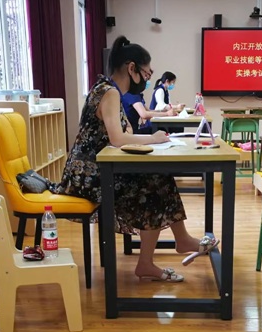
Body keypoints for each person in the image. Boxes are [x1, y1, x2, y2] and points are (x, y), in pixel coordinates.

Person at [49, 36, 218, 283]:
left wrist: (143, 138)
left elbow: (123, 132)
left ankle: (168, 248)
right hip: (89, 177)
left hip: (92, 170)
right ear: (132, 68)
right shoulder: (109, 93)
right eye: (147, 74)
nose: (147, 80)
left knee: (158, 177)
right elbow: (118, 138)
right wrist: (155, 139)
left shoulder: (105, 88)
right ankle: (163, 251)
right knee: (154, 184)